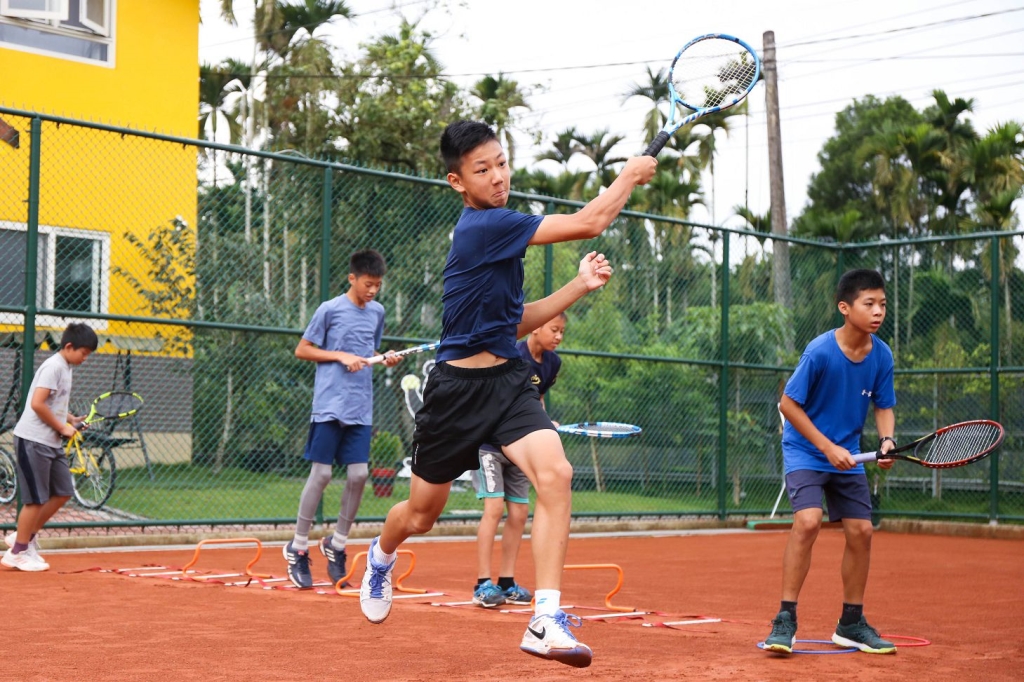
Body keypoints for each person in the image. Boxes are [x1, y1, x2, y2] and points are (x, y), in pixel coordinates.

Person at [358, 120, 656, 669]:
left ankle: (545, 618)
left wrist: (577, 287)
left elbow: (512, 324)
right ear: (457, 181)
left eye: (501, 163)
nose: (498, 177)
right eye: (482, 169)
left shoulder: (501, 234)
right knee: (421, 515)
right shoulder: (483, 227)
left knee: (556, 473)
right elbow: (591, 221)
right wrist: (630, 175)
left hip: (509, 383)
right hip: (456, 392)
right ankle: (380, 555)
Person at [763, 269, 897, 655]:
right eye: (869, 304)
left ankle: (851, 623)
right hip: (806, 450)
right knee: (808, 521)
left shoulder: (882, 355)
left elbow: (884, 406)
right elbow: (788, 404)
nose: (878, 311)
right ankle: (785, 619)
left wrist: (886, 441)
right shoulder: (820, 351)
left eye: (882, 304)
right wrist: (826, 448)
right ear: (845, 308)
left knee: (862, 531)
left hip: (847, 453)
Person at [282, 249, 401, 589]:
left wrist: (383, 357)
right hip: (329, 405)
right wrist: (339, 356)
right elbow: (303, 349)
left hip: (360, 407)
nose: (373, 291)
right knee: (321, 474)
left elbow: (368, 353)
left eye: (377, 285)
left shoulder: (377, 312)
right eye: (368, 284)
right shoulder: (329, 309)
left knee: (360, 475)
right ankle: (298, 547)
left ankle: (337, 544)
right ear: (352, 278)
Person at [472, 313, 566, 609]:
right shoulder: (511, 353)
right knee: (493, 509)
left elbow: (536, 399)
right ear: (536, 327)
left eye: (562, 331)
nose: (559, 336)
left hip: (523, 446)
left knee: (519, 513)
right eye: (554, 329)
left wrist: (543, 423)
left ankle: (506, 582)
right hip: (490, 444)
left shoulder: (553, 363)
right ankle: (482, 584)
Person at [2, 323, 98, 572]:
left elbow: (53, 404)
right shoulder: (53, 366)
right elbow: (37, 403)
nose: (85, 359)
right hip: (33, 440)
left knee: (63, 492)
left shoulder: (67, 367)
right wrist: (62, 428)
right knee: (35, 499)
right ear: (69, 346)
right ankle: (17, 553)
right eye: (84, 353)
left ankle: (24, 538)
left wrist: (71, 419)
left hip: (51, 443)